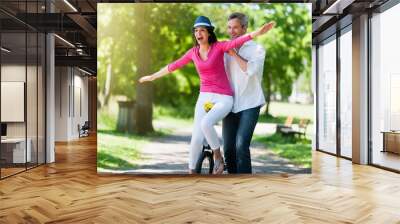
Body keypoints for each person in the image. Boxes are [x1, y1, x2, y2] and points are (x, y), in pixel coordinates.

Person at [139, 15, 274, 174]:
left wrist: (257, 33)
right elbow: (174, 65)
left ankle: (229, 167)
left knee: (235, 142)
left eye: (202, 30)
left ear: (209, 32)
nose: (198, 33)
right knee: (211, 142)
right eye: (196, 30)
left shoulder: (236, 48)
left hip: (237, 100)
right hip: (215, 99)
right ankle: (194, 173)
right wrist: (153, 76)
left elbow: (243, 54)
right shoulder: (200, 51)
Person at [222, 12, 267, 174]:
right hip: (229, 104)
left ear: (245, 28)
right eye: (229, 28)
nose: (231, 31)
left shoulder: (257, 49)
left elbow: (250, 69)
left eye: (235, 27)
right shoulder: (224, 49)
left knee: (241, 145)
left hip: (250, 103)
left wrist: (233, 53)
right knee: (228, 149)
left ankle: (245, 185)